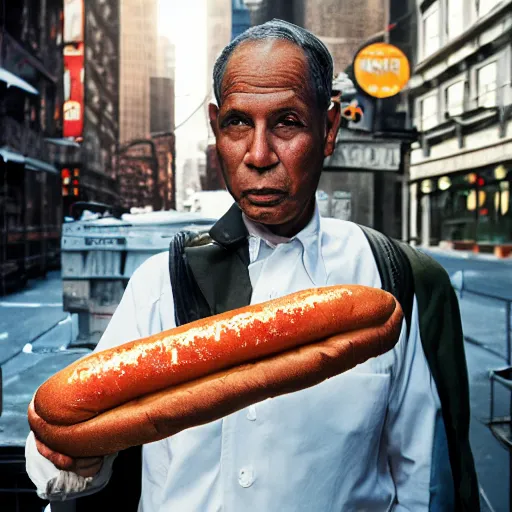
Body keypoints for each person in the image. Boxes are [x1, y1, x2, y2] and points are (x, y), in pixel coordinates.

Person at [26, 19, 476, 511]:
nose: (259, 155)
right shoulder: (161, 282)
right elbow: (73, 464)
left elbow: (421, 482)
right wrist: (70, 460)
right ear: (217, 126)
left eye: (287, 123)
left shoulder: (391, 279)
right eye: (239, 123)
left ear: (328, 130)